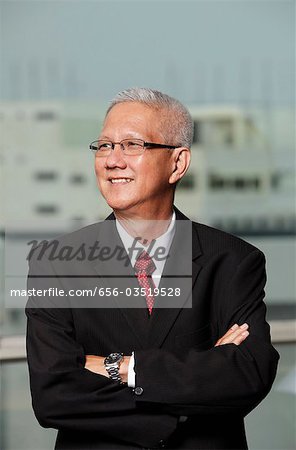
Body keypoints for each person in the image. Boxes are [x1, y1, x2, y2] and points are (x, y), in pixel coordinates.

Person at [26, 88, 279, 450]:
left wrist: (121, 367)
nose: (112, 160)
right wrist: (191, 395)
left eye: (131, 145)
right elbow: (54, 395)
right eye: (104, 146)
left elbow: (247, 375)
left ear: (177, 163)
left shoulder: (233, 260)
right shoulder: (57, 262)